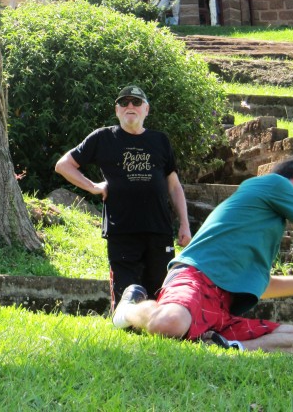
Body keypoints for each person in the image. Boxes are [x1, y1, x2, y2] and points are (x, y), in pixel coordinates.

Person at [111, 155, 293, 356]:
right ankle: (129, 310)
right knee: (170, 323)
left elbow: (262, 286)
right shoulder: (275, 184)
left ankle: (230, 346)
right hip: (195, 277)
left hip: (222, 309)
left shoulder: (267, 224)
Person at [55, 85, 191, 311]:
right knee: (126, 296)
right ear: (117, 110)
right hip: (122, 231)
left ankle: (157, 330)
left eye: (136, 102)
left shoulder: (161, 141)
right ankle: (128, 328)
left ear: (146, 109)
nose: (130, 106)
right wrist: (93, 187)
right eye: (124, 103)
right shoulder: (103, 138)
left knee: (160, 294)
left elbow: (174, 186)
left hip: (159, 230)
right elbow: (63, 165)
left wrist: (185, 224)